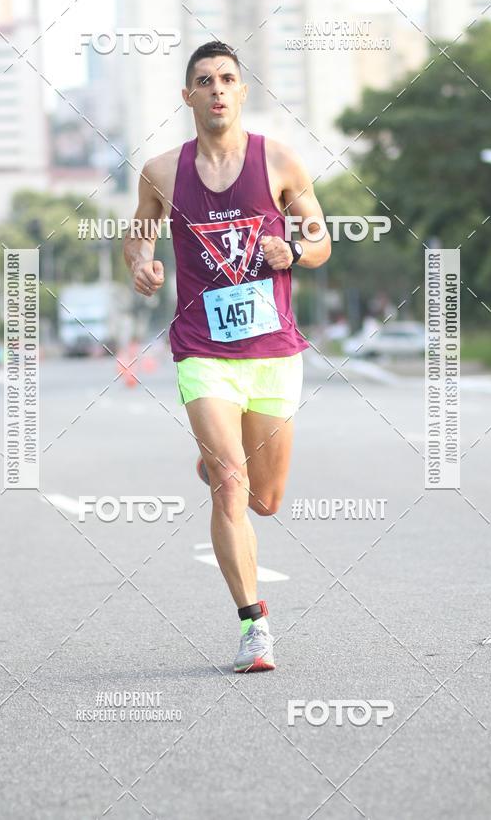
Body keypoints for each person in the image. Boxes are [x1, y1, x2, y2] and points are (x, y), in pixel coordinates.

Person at [123, 41, 330, 672]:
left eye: (228, 80)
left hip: (273, 350)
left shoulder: (281, 163)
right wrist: (141, 265)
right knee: (233, 489)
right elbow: (137, 235)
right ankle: (253, 626)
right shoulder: (160, 172)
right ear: (187, 97)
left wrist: (294, 253)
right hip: (202, 351)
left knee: (265, 498)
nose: (217, 89)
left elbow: (321, 241)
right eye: (204, 81)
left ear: (242, 92)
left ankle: (217, 465)